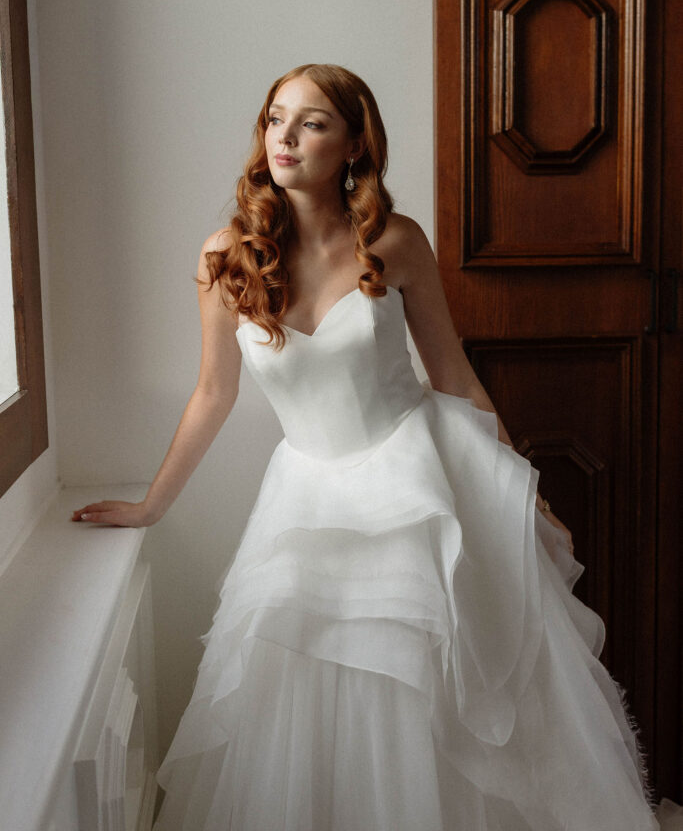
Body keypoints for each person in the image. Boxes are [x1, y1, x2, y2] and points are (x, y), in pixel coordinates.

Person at [71, 64, 681, 830]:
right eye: (274, 119)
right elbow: (212, 394)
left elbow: (454, 376)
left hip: (419, 482)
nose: (285, 138)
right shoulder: (227, 255)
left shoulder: (395, 243)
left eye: (313, 122)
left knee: (440, 695)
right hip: (308, 500)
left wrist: (521, 487)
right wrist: (149, 506)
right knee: (304, 695)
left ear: (355, 142)